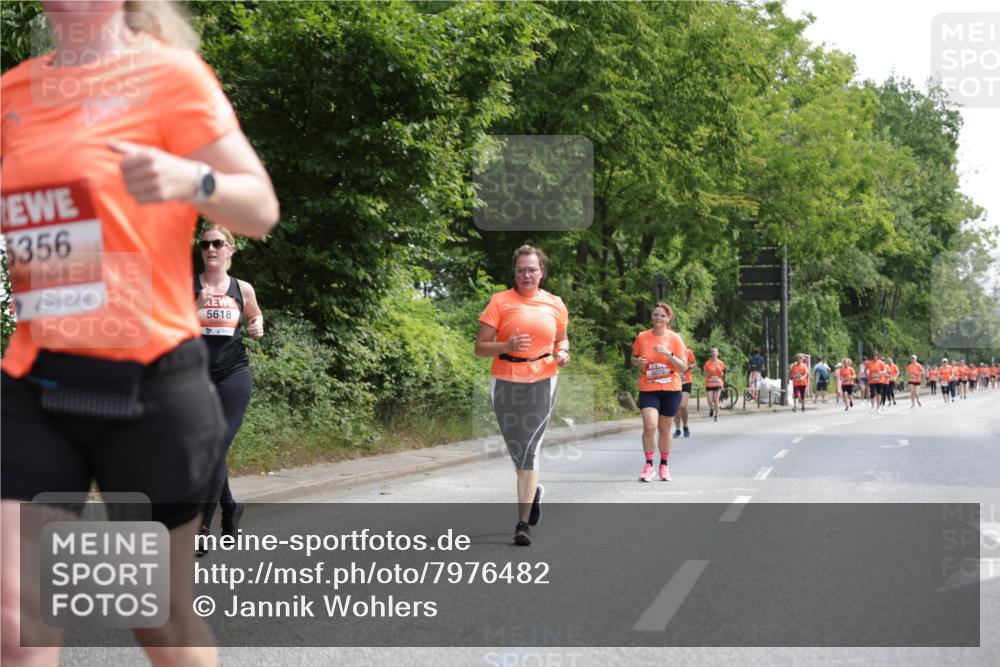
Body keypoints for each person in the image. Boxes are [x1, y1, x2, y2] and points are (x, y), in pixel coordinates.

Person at [0, 2, 280, 665]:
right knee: (15, 619)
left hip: (151, 387)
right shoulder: (13, 91)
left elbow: (260, 207)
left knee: (158, 617)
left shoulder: (172, 77)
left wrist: (193, 178)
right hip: (35, 382)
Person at [475, 246, 569, 546]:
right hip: (504, 380)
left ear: (541, 272)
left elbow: (562, 337)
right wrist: (506, 345)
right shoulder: (500, 302)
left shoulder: (555, 303)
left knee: (529, 449)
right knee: (517, 448)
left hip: (543, 378)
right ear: (514, 272)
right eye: (520, 270)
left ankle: (522, 524)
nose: (526, 275)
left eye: (531, 269)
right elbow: (479, 347)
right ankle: (534, 491)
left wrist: (563, 351)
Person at [194, 225, 264, 551]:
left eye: (217, 243)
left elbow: (255, 321)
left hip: (234, 375)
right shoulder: (188, 287)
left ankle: (201, 527)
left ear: (230, 249)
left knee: (215, 446)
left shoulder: (243, 289)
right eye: (206, 243)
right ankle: (231, 509)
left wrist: (257, 325)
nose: (211, 248)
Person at [631, 303, 688, 482]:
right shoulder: (642, 337)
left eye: (662, 316)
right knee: (650, 425)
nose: (658, 318)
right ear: (652, 317)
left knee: (665, 429)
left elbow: (684, 366)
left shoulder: (675, 338)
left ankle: (664, 465)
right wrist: (637, 361)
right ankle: (649, 465)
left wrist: (669, 354)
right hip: (649, 387)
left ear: (668, 319)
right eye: (655, 315)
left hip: (671, 388)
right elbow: (633, 358)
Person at [672, 345, 696, 438]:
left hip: (686, 381)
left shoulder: (688, 352)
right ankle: (678, 429)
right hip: (674, 382)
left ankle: (685, 426)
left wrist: (688, 367)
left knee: (682, 405)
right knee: (676, 407)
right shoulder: (671, 352)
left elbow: (694, 363)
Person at [703, 348, 726, 423]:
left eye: (715, 352)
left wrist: (720, 370)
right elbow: (705, 375)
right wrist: (710, 372)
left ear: (717, 353)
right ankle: (711, 408)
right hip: (709, 383)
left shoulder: (721, 363)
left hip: (718, 383)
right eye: (712, 352)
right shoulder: (707, 363)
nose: (714, 353)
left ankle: (716, 416)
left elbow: (723, 375)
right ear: (711, 353)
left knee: (716, 400)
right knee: (710, 400)